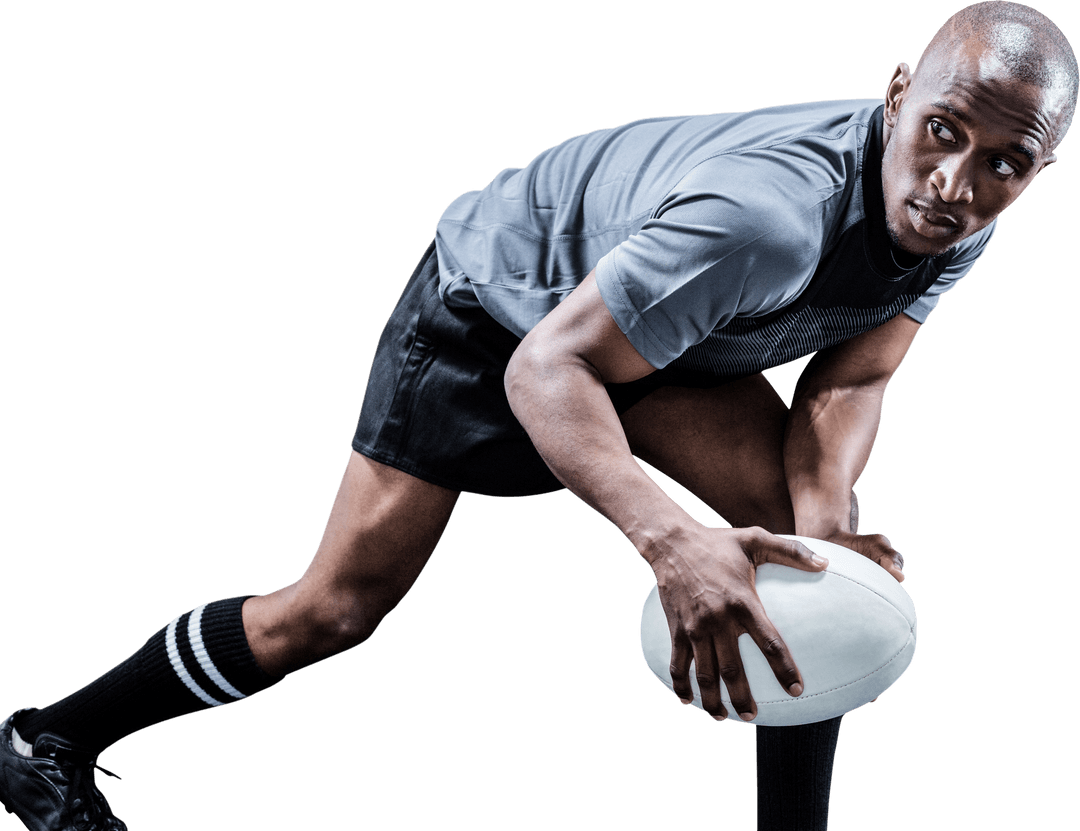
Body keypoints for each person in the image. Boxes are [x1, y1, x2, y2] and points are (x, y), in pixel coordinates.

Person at [1, 2, 1075, 829]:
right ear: (895, 98)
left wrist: (828, 520)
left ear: (1038, 167)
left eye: (1003, 165)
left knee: (808, 576)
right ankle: (43, 743)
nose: (953, 182)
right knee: (332, 612)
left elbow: (850, 382)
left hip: (669, 333)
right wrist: (671, 542)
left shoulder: (960, 214)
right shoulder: (767, 220)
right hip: (501, 316)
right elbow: (544, 371)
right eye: (939, 133)